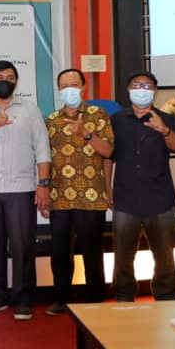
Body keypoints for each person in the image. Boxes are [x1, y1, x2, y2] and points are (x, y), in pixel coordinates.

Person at [0, 60, 50, 320]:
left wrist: (43, 184)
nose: (5, 81)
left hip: (22, 189)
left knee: (22, 246)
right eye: (0, 77)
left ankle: (23, 297)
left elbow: (42, 148)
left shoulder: (29, 109)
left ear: (16, 82)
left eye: (10, 77)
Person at [107, 70, 175, 302]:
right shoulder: (116, 120)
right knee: (123, 256)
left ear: (155, 91)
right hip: (125, 198)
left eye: (147, 86)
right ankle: (124, 298)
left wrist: (164, 130)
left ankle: (166, 298)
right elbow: (108, 156)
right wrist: (107, 188)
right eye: (137, 85)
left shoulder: (166, 118)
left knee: (164, 256)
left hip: (160, 199)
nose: (142, 90)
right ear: (129, 90)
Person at [44, 68, 114, 316]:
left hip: (91, 195)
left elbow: (108, 152)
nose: (70, 90)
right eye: (64, 86)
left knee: (91, 249)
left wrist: (87, 134)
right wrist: (43, 190)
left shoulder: (98, 114)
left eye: (74, 84)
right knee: (60, 252)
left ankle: (95, 297)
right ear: (58, 90)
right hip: (59, 196)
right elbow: (45, 158)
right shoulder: (51, 120)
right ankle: (62, 297)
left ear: (84, 87)